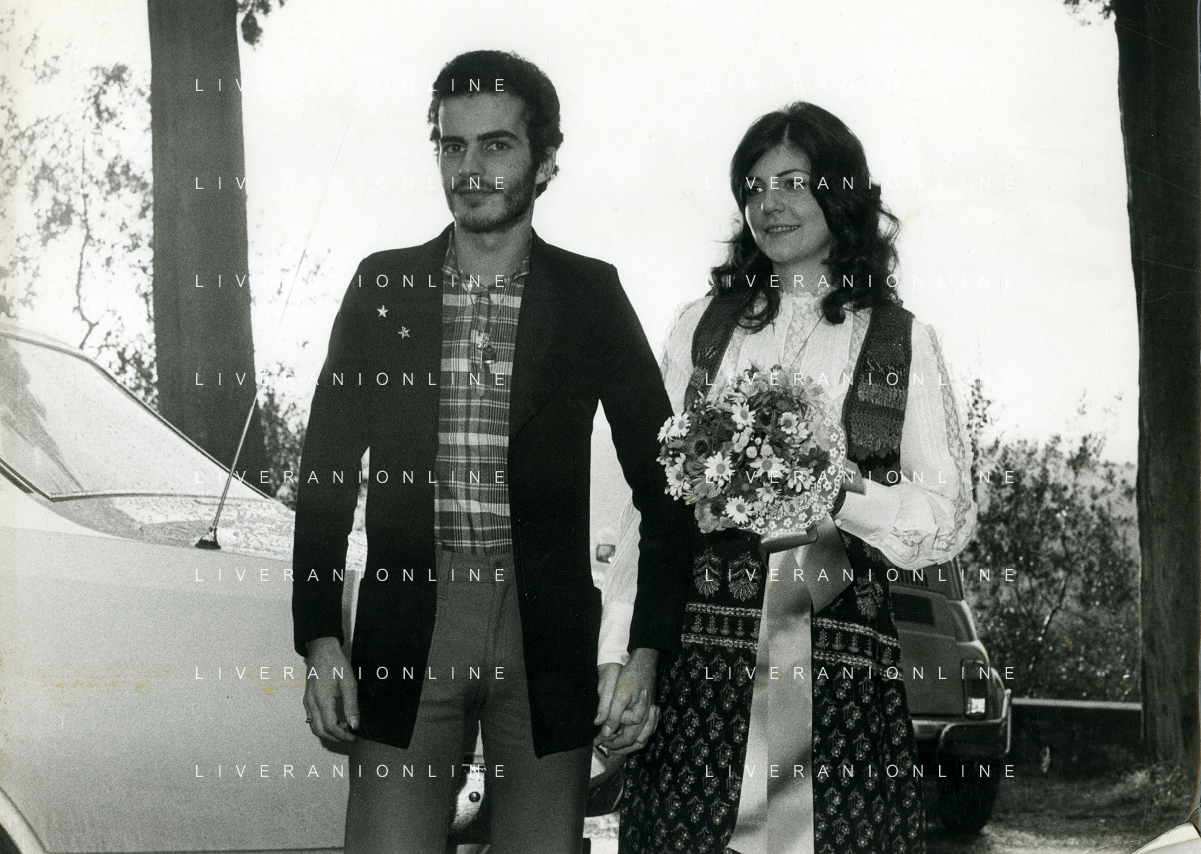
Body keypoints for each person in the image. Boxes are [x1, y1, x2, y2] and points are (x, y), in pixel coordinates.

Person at [291, 50, 688, 853]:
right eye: (452, 145)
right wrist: (320, 638)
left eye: (496, 145)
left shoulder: (590, 295)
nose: (469, 168)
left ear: (545, 161)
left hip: (543, 632)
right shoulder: (381, 288)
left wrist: (645, 653)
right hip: (410, 622)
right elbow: (326, 476)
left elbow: (667, 485)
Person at [605, 102, 978, 854]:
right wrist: (621, 654)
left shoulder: (902, 342)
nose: (769, 203)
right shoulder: (701, 328)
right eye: (754, 186)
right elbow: (648, 511)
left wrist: (840, 490)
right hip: (697, 670)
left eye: (793, 183)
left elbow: (946, 518)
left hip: (839, 677)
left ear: (841, 193)